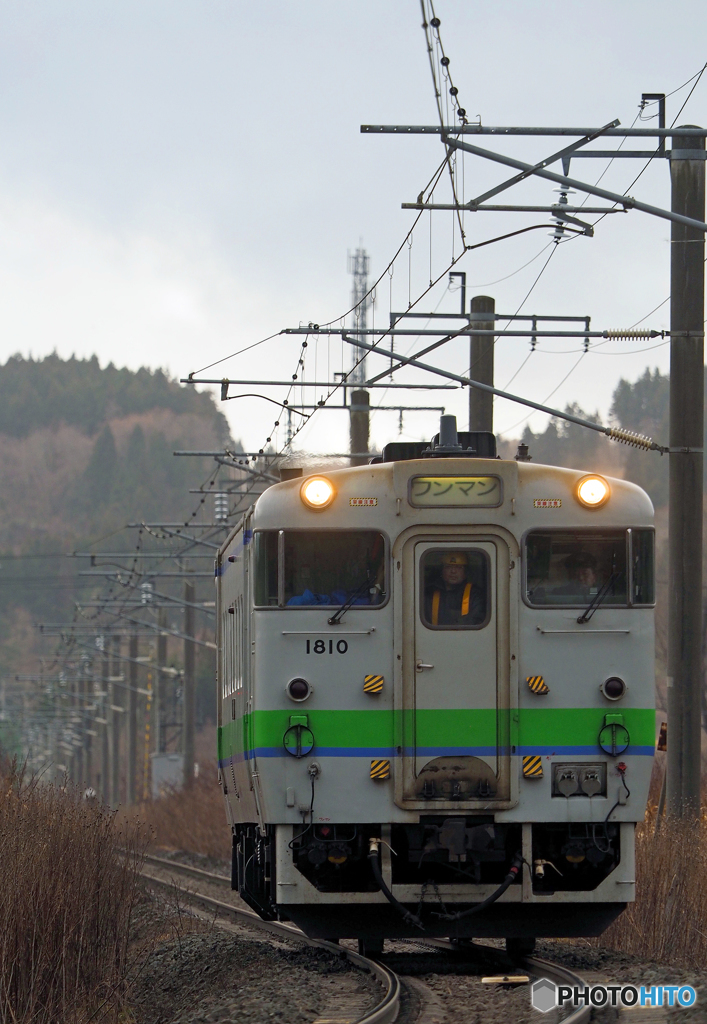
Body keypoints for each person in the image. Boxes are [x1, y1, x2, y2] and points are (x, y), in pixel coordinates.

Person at [424, 551, 485, 627]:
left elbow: (477, 619)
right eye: (448, 567)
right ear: (442, 571)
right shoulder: (429, 593)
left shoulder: (475, 594)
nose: (453, 571)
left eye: (458, 567)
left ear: (465, 572)